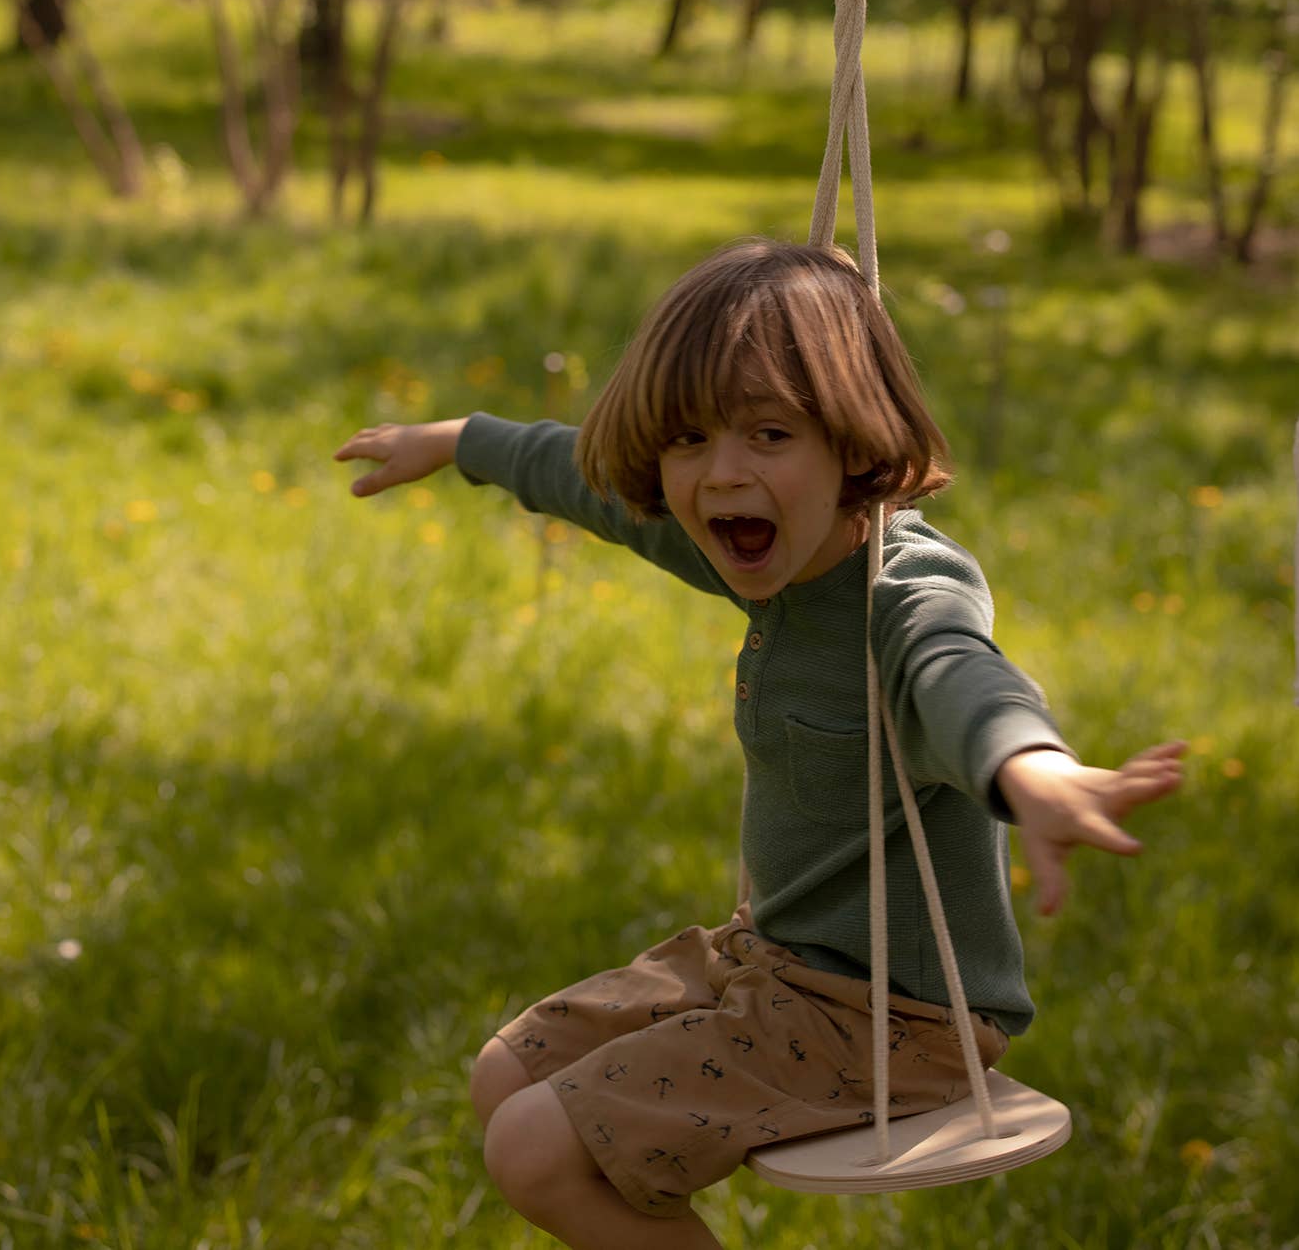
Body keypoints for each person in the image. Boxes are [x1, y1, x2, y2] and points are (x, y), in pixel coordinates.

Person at [333, 238, 1184, 1250]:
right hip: (773, 965)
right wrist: (461, 437)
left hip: (892, 1021)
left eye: (770, 432)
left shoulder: (903, 591)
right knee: (504, 1072)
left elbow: (959, 672)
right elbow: (584, 481)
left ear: (856, 445)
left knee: (532, 1147)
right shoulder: (758, 541)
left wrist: (1032, 769)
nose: (722, 471)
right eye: (688, 440)